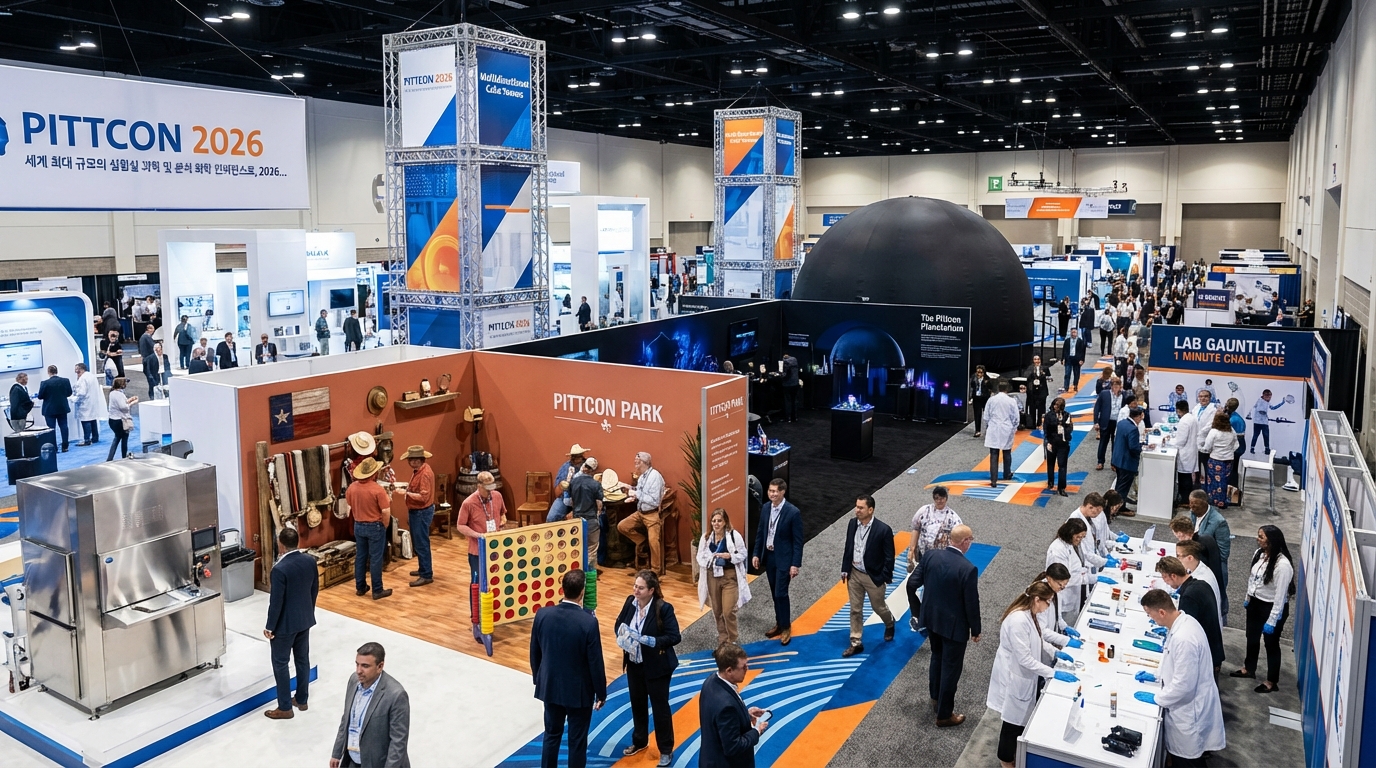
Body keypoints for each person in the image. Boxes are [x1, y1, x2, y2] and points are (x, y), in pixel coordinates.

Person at [986, 581, 1075, 768]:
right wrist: (1052, 673)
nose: (1048, 606)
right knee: (1011, 723)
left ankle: (1015, 754)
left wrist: (1055, 652)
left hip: (1025, 675)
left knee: (1019, 721)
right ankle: (1005, 760)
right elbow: (1025, 659)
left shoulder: (1030, 615)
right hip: (1015, 676)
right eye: (1047, 602)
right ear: (1036, 599)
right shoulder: (1018, 621)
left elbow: (1038, 639)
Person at [1134, 589, 1226, 767]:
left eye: (1150, 614)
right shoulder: (1184, 621)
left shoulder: (1184, 639)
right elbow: (1175, 664)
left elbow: (1184, 685)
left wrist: (1157, 698)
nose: (1150, 619)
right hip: (1188, 704)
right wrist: (1156, 676)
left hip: (1190, 712)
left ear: (1162, 612)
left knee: (1187, 762)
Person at [530, 571, 606, 768]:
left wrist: (539, 678)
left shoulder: (542, 614)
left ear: (562, 589)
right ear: (582, 592)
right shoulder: (588, 622)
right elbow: (595, 662)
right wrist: (601, 692)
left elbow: (535, 651)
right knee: (577, 741)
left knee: (551, 735)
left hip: (550, 686)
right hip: (578, 693)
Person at [911, 524, 981, 727]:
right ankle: (944, 714)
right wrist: (976, 630)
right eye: (970, 539)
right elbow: (971, 603)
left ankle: (935, 697)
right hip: (954, 629)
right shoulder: (968, 569)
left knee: (937, 657)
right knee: (951, 669)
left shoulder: (931, 555)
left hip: (932, 621)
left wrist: (918, 611)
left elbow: (912, 583)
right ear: (965, 542)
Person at [614, 570, 681, 766]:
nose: (636, 590)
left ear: (651, 590)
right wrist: (622, 636)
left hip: (657, 667)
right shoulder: (630, 602)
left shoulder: (664, 608)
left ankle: (666, 750)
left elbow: (674, 636)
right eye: (635, 586)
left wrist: (649, 640)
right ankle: (640, 741)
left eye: (641, 588)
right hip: (634, 665)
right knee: (637, 704)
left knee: (660, 709)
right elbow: (619, 624)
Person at [263, 527, 319, 720]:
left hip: (285, 626)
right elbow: (314, 589)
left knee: (280, 663)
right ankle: (302, 700)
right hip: (304, 620)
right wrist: (308, 611)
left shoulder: (279, 569)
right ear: (298, 542)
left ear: (280, 544)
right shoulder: (310, 561)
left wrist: (270, 626)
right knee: (302, 660)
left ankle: (285, 707)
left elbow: (276, 602)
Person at [1232, 525, 1294, 694]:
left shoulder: (1282, 566)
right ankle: (1249, 668)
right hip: (1255, 603)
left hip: (1272, 607)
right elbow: (1253, 579)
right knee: (1251, 637)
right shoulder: (1258, 554)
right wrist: (1248, 598)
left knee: (1271, 644)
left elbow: (1280, 596)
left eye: (1261, 537)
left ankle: (1272, 681)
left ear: (1271, 540)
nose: (1257, 539)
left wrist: (1272, 620)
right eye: (1258, 535)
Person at [329, 642, 410, 768]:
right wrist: (336, 753)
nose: (358, 671)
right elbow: (347, 719)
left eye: (365, 666)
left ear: (380, 666)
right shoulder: (354, 680)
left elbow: (398, 742)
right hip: (352, 760)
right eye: (357, 664)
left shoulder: (396, 695)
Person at [841, 495, 896, 656]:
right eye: (856, 507)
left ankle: (890, 622)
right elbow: (848, 547)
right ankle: (856, 641)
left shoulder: (883, 530)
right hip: (854, 573)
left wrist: (884, 576)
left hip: (873, 576)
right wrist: (845, 568)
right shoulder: (852, 524)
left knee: (878, 607)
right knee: (855, 609)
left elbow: (889, 556)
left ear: (870, 510)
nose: (856, 510)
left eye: (861, 508)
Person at [752, 478, 803, 645]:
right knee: (775, 593)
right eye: (770, 490)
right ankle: (779, 623)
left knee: (781, 593)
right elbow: (760, 532)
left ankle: (786, 626)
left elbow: (797, 541)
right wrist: (756, 554)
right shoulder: (766, 508)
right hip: (769, 557)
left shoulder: (793, 512)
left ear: (782, 492)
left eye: (775, 491)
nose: (772, 494)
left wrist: (795, 564)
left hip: (785, 559)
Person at [698, 643, 767, 768]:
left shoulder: (710, 681)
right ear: (729, 670)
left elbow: (719, 720)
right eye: (743, 667)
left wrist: (745, 715)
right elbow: (733, 746)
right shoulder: (726, 706)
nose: (747, 669)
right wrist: (756, 731)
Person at [1156, 556, 1224, 671]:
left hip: (1206, 657)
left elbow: (1185, 631)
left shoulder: (1189, 597)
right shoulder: (1200, 583)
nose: (1165, 582)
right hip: (1213, 647)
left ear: (1173, 576)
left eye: (1165, 577)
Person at [697, 508, 749, 646]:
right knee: (717, 611)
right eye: (713, 521)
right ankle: (723, 639)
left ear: (725, 521)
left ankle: (732, 639)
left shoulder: (734, 536)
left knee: (728, 611)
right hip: (712, 576)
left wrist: (730, 556)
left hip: (729, 576)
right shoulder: (706, 537)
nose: (716, 523)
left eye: (719, 520)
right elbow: (699, 556)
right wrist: (709, 560)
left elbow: (743, 554)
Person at [347, 457, 394, 601]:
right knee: (375, 559)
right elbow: (385, 511)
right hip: (375, 526)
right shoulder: (377, 489)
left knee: (360, 557)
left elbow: (349, 506)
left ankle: (360, 587)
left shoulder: (352, 487)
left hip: (358, 525)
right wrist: (384, 525)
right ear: (374, 473)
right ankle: (377, 589)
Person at [456, 470, 507, 595]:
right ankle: (475, 608)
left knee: (496, 580)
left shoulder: (497, 496)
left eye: (492, 487)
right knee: (477, 582)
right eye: (487, 488)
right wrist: (478, 535)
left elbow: (503, 513)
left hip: (495, 547)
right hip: (477, 550)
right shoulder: (468, 503)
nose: (490, 491)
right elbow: (460, 525)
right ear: (479, 486)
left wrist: (502, 521)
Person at [617, 452, 667, 573]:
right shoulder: (642, 476)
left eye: (637, 461)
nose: (635, 463)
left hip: (652, 514)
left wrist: (636, 494)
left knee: (654, 541)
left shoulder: (655, 476)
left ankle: (655, 570)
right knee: (622, 526)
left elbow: (654, 501)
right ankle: (642, 541)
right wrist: (632, 495)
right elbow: (641, 493)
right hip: (640, 513)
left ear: (643, 462)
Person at [1045, 518, 1100, 623]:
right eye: (1078, 537)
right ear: (1070, 533)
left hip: (1074, 591)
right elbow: (1060, 578)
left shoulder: (1074, 544)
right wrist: (1089, 578)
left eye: (1082, 537)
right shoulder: (1058, 550)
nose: (1080, 540)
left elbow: (1085, 556)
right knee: (1059, 622)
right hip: (1062, 595)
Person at [1189, 489, 1232, 612]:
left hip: (1212, 564)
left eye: (1195, 505)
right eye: (1190, 504)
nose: (1191, 508)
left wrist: (1214, 569)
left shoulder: (1219, 522)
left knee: (1215, 599)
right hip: (1195, 560)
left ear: (1205, 504)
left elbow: (1224, 552)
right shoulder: (1193, 514)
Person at [400, 445, 436, 587]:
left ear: (421, 459)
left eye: (415, 460)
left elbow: (423, 497)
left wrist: (406, 493)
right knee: (419, 542)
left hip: (421, 511)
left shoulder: (424, 473)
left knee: (421, 543)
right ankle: (423, 569)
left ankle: (426, 574)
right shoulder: (420, 471)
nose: (412, 462)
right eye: (411, 460)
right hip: (418, 511)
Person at [983, 380, 1020, 488]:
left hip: (994, 428)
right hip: (1006, 428)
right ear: (1007, 389)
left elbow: (986, 416)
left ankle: (993, 480)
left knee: (994, 454)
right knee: (1007, 453)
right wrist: (1013, 427)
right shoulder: (1011, 401)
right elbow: (1016, 417)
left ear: (998, 388)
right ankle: (1007, 474)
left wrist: (989, 425)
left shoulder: (991, 400)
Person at [570, 458, 605, 567]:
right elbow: (599, 504)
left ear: (584, 466)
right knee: (591, 549)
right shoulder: (595, 484)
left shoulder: (573, 482)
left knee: (577, 547)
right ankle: (589, 573)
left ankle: (578, 572)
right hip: (591, 520)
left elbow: (571, 501)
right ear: (593, 471)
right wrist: (598, 515)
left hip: (576, 520)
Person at [1199, 411, 1236, 510]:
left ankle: (1213, 501)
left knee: (1213, 482)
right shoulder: (1232, 431)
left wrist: (1201, 448)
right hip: (1228, 460)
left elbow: (1207, 447)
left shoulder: (1214, 432)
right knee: (1224, 481)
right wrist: (1228, 451)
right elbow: (1236, 445)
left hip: (1215, 460)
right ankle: (1223, 501)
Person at [1111, 406, 1145, 503]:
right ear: (1137, 417)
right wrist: (1142, 448)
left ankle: (1117, 503)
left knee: (1119, 485)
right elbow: (1133, 447)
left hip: (1117, 459)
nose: (1141, 420)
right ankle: (1119, 507)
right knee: (1123, 487)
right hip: (1127, 463)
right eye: (1141, 417)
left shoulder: (1122, 423)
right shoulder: (1133, 429)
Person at [549, 444, 590, 522]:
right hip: (565, 497)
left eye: (579, 456)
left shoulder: (588, 466)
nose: (577, 459)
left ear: (582, 456)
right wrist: (561, 486)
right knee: (551, 518)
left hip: (582, 499)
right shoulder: (565, 467)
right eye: (575, 456)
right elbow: (557, 493)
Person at [36, 366, 73, 452]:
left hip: (49, 409)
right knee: (64, 427)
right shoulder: (65, 381)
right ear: (57, 371)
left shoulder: (44, 383)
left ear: (48, 372)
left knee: (51, 429)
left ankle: (54, 448)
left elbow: (40, 396)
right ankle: (65, 446)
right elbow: (69, 393)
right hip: (62, 408)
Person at [1042, 396, 1073, 496]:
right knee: (1050, 464)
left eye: (1058, 406)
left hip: (1063, 444)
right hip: (1052, 442)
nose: (1055, 407)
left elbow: (1070, 428)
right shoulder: (1048, 416)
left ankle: (1061, 487)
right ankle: (1050, 482)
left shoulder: (1067, 415)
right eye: (1055, 405)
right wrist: (1048, 442)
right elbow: (1046, 429)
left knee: (1062, 466)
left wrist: (1063, 427)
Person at [1092, 377, 1125, 470]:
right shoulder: (1104, 394)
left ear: (1120, 386)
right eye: (1114, 386)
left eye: (1117, 386)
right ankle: (1100, 461)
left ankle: (1114, 463)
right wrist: (1096, 422)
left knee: (1116, 443)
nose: (1116, 388)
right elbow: (1097, 408)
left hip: (1117, 422)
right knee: (1103, 442)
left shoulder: (1124, 395)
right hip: (1106, 421)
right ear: (1111, 386)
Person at [1171, 400, 1199, 505]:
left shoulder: (1184, 421)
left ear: (1178, 410)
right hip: (1191, 450)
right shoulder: (1192, 418)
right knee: (1187, 477)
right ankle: (1186, 498)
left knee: (1184, 478)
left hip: (1185, 453)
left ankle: (1184, 500)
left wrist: (1171, 442)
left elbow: (1181, 441)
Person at [72, 363, 103, 445]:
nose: (75, 371)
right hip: (92, 401)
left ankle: (87, 440)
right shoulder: (91, 376)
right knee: (93, 419)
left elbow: (82, 393)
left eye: (76, 369)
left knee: (86, 420)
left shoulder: (83, 378)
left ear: (81, 369)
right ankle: (95, 438)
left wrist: (74, 398)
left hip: (85, 403)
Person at [106, 378, 136, 461]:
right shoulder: (119, 394)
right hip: (120, 421)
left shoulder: (112, 393)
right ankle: (124, 457)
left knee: (117, 438)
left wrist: (129, 400)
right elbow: (124, 407)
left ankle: (110, 458)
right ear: (121, 385)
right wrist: (132, 403)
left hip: (112, 420)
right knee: (124, 439)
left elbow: (120, 404)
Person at [1249, 390, 1283, 454]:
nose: (1269, 398)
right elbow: (1261, 410)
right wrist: (1267, 416)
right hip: (1258, 422)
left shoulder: (1267, 402)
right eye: (1268, 397)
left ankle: (1267, 449)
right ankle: (1252, 448)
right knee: (1256, 435)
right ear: (1264, 396)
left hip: (1264, 422)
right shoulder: (1260, 401)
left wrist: (1282, 403)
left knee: (1266, 436)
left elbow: (1273, 407)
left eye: (1270, 397)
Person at [1023, 354, 1051, 429]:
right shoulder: (1030, 368)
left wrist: (1045, 377)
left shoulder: (1045, 368)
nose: (1037, 361)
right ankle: (1032, 424)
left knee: (1041, 409)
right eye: (1035, 359)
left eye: (1038, 359)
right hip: (1032, 392)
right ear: (1033, 360)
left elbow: (1049, 378)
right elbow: (1026, 378)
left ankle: (1039, 423)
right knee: (1032, 408)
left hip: (1042, 392)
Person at [968, 365, 993, 437]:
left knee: (987, 415)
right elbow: (971, 388)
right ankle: (977, 430)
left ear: (983, 373)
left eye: (980, 372)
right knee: (977, 415)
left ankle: (989, 430)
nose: (979, 374)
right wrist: (970, 398)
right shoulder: (973, 378)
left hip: (985, 399)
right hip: (976, 398)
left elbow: (991, 388)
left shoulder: (987, 379)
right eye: (977, 372)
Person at [1061, 327, 1086, 392]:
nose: (1073, 334)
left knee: (1076, 374)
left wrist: (1082, 360)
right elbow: (1064, 350)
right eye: (1072, 332)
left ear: (1077, 333)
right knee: (1067, 374)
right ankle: (1066, 387)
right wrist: (1062, 359)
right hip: (1068, 359)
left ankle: (1075, 385)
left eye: (1075, 332)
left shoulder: (1080, 341)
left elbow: (1083, 352)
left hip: (1077, 359)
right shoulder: (1067, 341)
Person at [780, 352, 800, 423]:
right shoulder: (795, 360)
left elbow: (784, 374)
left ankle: (788, 418)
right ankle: (795, 417)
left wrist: (780, 375)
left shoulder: (784, 362)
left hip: (787, 384)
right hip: (795, 383)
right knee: (794, 401)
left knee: (787, 401)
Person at [138, 324, 156, 391]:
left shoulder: (142, 337)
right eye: (152, 329)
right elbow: (153, 346)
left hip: (145, 359)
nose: (153, 331)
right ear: (149, 329)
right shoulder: (147, 337)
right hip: (149, 359)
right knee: (152, 379)